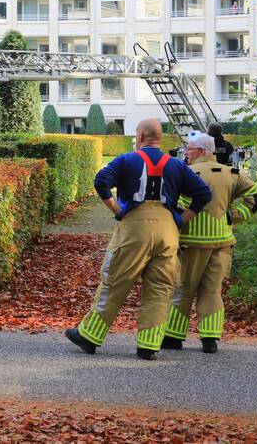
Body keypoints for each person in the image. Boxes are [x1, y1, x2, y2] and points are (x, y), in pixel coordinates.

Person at [65, 118, 212, 360]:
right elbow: (203, 193)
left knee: (115, 281)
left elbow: (102, 181)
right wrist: (182, 219)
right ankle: (149, 344)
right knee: (160, 289)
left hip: (134, 228)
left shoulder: (127, 160)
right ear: (160, 138)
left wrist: (117, 210)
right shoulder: (176, 165)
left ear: (141, 137)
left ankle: (90, 336)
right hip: (167, 231)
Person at [161, 131, 257, 354]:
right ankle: (209, 339)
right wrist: (234, 216)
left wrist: (179, 221)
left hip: (192, 242)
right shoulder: (232, 172)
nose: (186, 153)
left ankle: (173, 337)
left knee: (184, 289)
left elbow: (172, 202)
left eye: (188, 149)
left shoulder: (186, 172)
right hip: (223, 242)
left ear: (201, 151)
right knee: (212, 291)